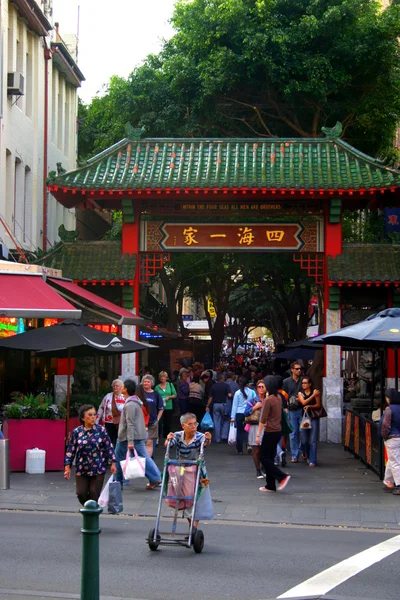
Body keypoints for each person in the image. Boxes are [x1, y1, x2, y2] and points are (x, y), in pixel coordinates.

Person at [165, 413, 212, 529]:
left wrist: (208, 439)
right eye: (190, 424)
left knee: (198, 499)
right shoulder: (178, 436)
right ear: (183, 426)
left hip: (197, 470)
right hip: (182, 470)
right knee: (184, 499)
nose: (193, 427)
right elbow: (169, 444)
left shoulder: (199, 436)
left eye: (195, 424)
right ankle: (192, 527)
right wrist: (168, 440)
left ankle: (194, 528)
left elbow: (205, 443)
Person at [64, 404, 117, 505]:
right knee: (81, 493)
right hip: (82, 468)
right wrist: (67, 467)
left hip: (98, 467)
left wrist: (113, 462)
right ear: (83, 418)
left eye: (94, 415)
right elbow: (71, 450)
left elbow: (109, 447)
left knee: (94, 493)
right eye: (90, 415)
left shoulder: (101, 430)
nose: (93, 417)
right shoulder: (77, 432)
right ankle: (89, 509)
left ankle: (92, 512)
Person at [114, 379, 161, 490]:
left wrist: (130, 441)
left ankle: (118, 481)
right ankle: (118, 480)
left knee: (121, 457)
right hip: (135, 435)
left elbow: (130, 424)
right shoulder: (135, 402)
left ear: (125, 389)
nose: (121, 388)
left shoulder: (130, 404)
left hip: (129, 436)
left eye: (122, 386)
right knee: (139, 456)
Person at [256, 376, 291, 493]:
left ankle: (281, 476)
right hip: (277, 431)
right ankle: (270, 485)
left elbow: (263, 419)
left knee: (263, 457)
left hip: (270, 431)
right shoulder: (278, 398)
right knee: (269, 457)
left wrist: (258, 435)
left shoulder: (269, 400)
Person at [297, 376, 322, 467]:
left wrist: (310, 406)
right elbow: (303, 402)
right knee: (304, 440)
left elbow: (318, 405)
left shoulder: (316, 392)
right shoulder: (301, 393)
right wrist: (313, 396)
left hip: (313, 417)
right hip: (304, 418)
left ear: (310, 384)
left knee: (313, 440)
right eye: (302, 383)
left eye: (305, 383)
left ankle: (313, 460)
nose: (303, 384)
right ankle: (306, 453)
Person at [282, 361, 303, 463]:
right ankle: (295, 454)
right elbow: (283, 395)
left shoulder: (303, 381)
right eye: (297, 369)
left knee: (303, 432)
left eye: (300, 369)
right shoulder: (286, 382)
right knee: (293, 433)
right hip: (291, 410)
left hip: (303, 409)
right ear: (292, 370)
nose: (299, 370)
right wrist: (286, 407)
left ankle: (301, 450)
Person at [139, 374, 164, 457]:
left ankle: (149, 461)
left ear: (151, 383)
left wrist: (158, 419)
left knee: (150, 443)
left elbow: (161, 408)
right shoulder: (139, 393)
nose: (146, 383)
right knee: (141, 442)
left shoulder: (156, 394)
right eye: (144, 382)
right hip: (140, 422)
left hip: (152, 422)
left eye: (148, 382)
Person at [244, 379, 265, 478]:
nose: (261, 389)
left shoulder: (268, 399)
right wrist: (255, 407)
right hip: (255, 426)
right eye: (259, 387)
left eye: (263, 387)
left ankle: (264, 467)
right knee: (257, 449)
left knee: (265, 449)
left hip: (266, 426)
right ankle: (258, 470)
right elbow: (246, 413)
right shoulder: (252, 400)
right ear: (256, 389)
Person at [95, 379, 125, 447]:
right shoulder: (108, 396)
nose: (115, 387)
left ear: (121, 387)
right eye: (113, 386)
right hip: (108, 422)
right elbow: (101, 407)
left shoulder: (124, 397)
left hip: (120, 423)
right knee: (108, 440)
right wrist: (97, 420)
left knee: (119, 441)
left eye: (117, 386)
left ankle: (117, 455)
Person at [382, 388, 400, 494]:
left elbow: (385, 425)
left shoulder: (390, 409)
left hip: (392, 438)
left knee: (395, 462)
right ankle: (389, 482)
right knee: (392, 459)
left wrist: (385, 436)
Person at [231, 378, 256, 454]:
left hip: (239, 413)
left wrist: (232, 416)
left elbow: (235, 405)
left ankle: (239, 449)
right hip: (248, 413)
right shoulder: (252, 392)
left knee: (239, 431)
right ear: (247, 384)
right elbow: (255, 401)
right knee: (248, 429)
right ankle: (249, 444)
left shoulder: (237, 393)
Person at [206, 372, 232, 443]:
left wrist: (208, 405)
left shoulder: (213, 386)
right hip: (224, 404)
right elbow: (229, 395)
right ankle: (224, 436)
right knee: (226, 420)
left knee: (216, 421)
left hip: (215, 405)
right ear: (223, 379)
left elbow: (210, 397)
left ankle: (217, 438)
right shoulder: (226, 386)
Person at [155, 371, 177, 439]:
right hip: (159, 407)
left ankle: (167, 437)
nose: (162, 378)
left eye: (164, 376)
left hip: (168, 406)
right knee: (159, 423)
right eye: (161, 377)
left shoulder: (170, 385)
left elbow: (175, 395)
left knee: (167, 423)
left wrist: (169, 397)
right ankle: (158, 437)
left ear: (166, 378)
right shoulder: (157, 387)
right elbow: (155, 397)